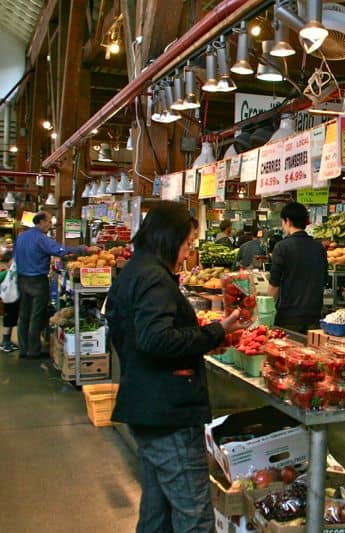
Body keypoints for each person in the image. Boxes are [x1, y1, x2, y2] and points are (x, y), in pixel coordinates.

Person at [107, 201, 242, 533]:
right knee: (194, 515)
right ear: (169, 238)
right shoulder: (155, 278)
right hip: (168, 411)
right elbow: (157, 339)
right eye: (186, 244)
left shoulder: (135, 270)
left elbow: (127, 332)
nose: (187, 253)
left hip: (147, 404)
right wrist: (216, 331)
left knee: (158, 511)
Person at [14, 211, 86, 359]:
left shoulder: (21, 237)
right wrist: (82, 249)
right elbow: (59, 250)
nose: (50, 224)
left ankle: (23, 349)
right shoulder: (41, 238)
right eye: (48, 221)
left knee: (24, 314)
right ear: (40, 222)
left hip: (21, 279)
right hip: (37, 280)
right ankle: (33, 351)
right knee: (36, 315)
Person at [266, 202, 327, 333]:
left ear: (287, 221)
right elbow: (324, 280)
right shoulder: (319, 247)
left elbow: (274, 285)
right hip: (314, 315)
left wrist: (264, 308)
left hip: (288, 316)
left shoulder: (282, 247)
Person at [0, 238, 19, 352]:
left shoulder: (8, 272)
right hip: (9, 299)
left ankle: (7, 342)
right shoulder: (7, 273)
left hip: (10, 298)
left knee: (10, 321)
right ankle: (5, 343)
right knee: (8, 320)